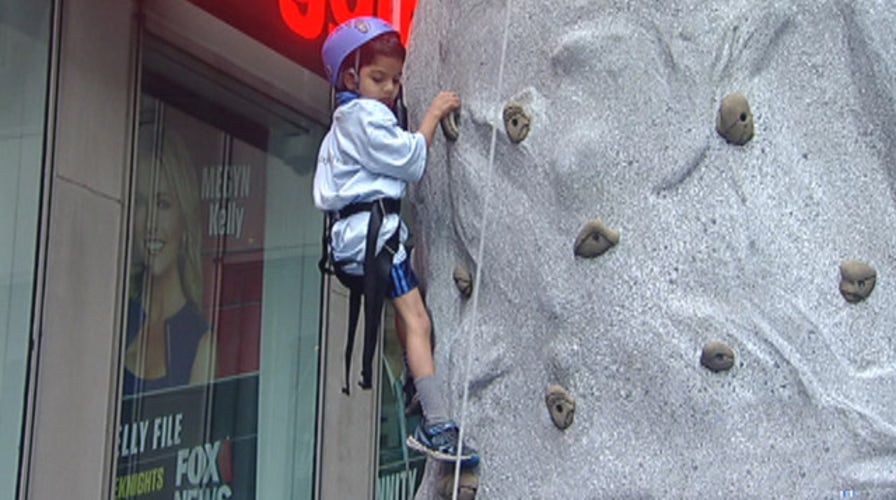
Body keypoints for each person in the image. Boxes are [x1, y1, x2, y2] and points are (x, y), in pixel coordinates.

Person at [314, 16, 479, 467]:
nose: (389, 89)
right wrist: (431, 116)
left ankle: (414, 380)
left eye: (396, 80)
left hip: (355, 241)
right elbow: (410, 160)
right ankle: (438, 423)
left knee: (409, 321)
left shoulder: (342, 122)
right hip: (376, 238)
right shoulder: (366, 117)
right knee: (418, 318)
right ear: (351, 77)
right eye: (378, 78)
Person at [123, 132, 216, 395]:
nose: (150, 222)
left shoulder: (199, 343)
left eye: (163, 204)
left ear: (184, 221)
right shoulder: (119, 317)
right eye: (141, 203)